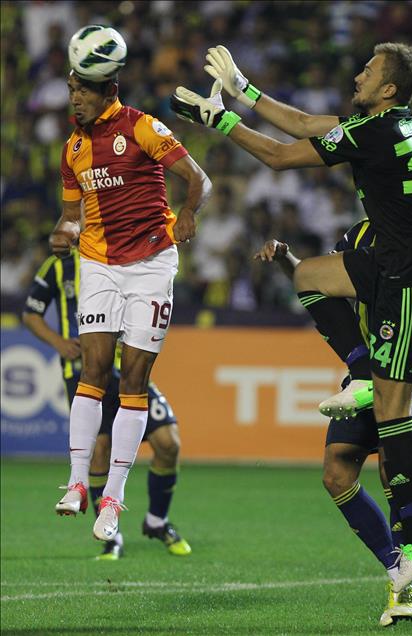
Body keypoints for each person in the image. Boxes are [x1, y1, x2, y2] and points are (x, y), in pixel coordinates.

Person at [170, 42, 412, 592]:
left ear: (389, 88)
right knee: (308, 276)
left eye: (369, 71)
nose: (358, 75)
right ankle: (361, 369)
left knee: (392, 411)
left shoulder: (375, 134)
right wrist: (243, 89)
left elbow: (281, 156)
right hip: (396, 263)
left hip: (411, 274)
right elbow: (303, 123)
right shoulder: (391, 126)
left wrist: (221, 121)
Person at [254, 224, 412, 626]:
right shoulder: (358, 235)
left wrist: (404, 284)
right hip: (366, 374)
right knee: (336, 475)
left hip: (406, 371)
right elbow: (321, 280)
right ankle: (397, 567)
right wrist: (286, 260)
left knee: (391, 466)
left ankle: (404, 588)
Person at [51, 26, 211, 544]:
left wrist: (188, 214)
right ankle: (77, 482)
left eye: (82, 90)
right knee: (93, 370)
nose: (74, 98)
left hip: (151, 264)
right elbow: (71, 214)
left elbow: (199, 179)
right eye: (71, 89)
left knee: (134, 380)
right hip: (98, 263)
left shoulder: (142, 127)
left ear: (108, 90)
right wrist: (63, 230)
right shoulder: (72, 149)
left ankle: (113, 500)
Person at [22, 248, 191, 560]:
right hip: (83, 368)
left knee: (169, 442)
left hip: (124, 367)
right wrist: (60, 343)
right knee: (100, 448)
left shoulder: (131, 251)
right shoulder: (60, 265)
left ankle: (157, 521)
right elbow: (31, 313)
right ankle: (112, 536)